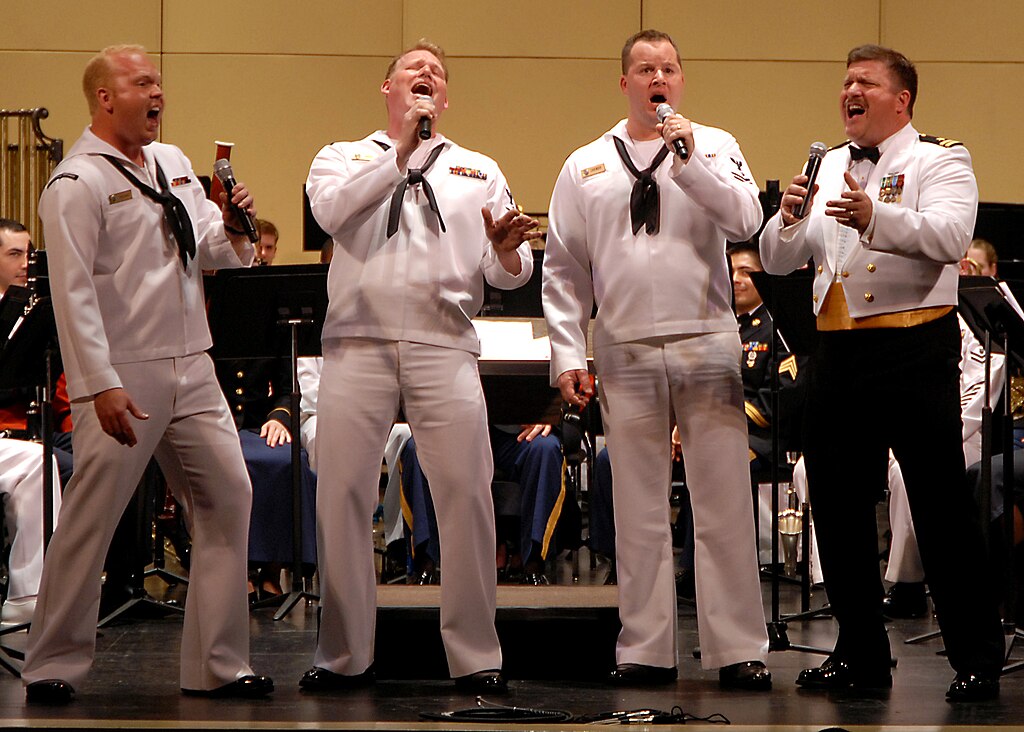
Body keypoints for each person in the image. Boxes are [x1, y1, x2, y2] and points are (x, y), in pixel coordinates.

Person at [22, 44, 273, 704]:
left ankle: (217, 664)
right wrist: (98, 383)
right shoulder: (76, 183)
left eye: (159, 82)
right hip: (124, 372)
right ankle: (51, 664)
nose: (157, 92)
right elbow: (72, 294)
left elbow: (211, 251)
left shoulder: (174, 162)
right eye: (142, 83)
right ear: (105, 98)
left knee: (228, 497)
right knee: (92, 517)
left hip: (194, 361)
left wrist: (235, 224)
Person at [759, 44, 1004, 701]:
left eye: (865, 82)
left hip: (913, 347)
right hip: (835, 353)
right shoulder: (825, 165)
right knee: (837, 509)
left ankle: (977, 656)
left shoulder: (939, 158)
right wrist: (786, 219)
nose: (850, 91)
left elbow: (951, 238)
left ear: (902, 99)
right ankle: (861, 655)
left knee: (939, 507)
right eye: (845, 82)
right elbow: (776, 262)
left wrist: (877, 217)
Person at [303, 39, 540, 694]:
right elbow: (330, 213)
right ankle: (343, 656)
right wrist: (401, 153)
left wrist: (506, 252)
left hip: (444, 340)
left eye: (436, 72)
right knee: (343, 494)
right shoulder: (342, 157)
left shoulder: (477, 169)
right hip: (358, 341)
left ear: (446, 97)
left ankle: (476, 656)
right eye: (413, 68)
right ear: (389, 89)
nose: (426, 74)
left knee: (466, 494)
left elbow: (507, 271)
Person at [542, 29, 771, 690]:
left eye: (668, 67)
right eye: (645, 69)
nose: (658, 77)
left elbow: (745, 221)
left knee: (723, 501)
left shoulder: (714, 145)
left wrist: (689, 160)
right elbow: (563, 269)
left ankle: (738, 648)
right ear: (625, 83)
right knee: (637, 505)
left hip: (707, 340)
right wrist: (568, 352)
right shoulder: (585, 164)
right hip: (624, 346)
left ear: (681, 79)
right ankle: (645, 648)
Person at [400, 422, 569, 585]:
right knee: (416, 448)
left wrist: (545, 415)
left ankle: (533, 564)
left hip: (518, 435)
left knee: (546, 447)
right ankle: (425, 564)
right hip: (457, 431)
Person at [0, 220, 66, 628]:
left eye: (30, 254)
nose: (26, 263)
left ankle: (35, 594)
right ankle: (30, 594)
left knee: (42, 461)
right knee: (38, 463)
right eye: (14, 254)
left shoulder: (35, 310)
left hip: (29, 427)